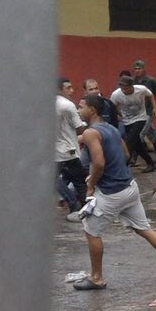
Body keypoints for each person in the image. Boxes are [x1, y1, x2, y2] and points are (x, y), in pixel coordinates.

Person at [71, 93, 156, 290]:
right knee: (144, 227)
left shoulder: (93, 133)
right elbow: (125, 154)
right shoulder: (110, 129)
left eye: (81, 106)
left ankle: (96, 277)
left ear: (92, 110)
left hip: (111, 193)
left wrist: (92, 183)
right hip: (129, 187)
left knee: (91, 229)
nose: (78, 110)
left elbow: (98, 162)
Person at [111, 73, 156, 172]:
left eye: (126, 88)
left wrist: (155, 108)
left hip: (140, 118)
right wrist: (118, 114)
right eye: (122, 88)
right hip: (127, 120)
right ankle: (151, 164)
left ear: (131, 86)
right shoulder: (116, 94)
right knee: (137, 144)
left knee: (130, 141)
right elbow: (112, 106)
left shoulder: (141, 89)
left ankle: (122, 166)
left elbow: (151, 95)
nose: (124, 90)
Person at [56, 78, 87, 219]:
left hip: (55, 150)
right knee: (80, 181)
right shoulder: (67, 105)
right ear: (59, 89)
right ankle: (79, 205)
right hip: (69, 150)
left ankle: (76, 204)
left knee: (60, 178)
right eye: (68, 88)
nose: (72, 91)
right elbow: (80, 128)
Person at [132, 59, 156, 164]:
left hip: (149, 111)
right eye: (135, 69)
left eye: (139, 68)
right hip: (139, 112)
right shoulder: (133, 82)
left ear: (144, 69)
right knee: (153, 134)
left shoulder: (151, 81)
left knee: (140, 134)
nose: (137, 70)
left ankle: (133, 158)